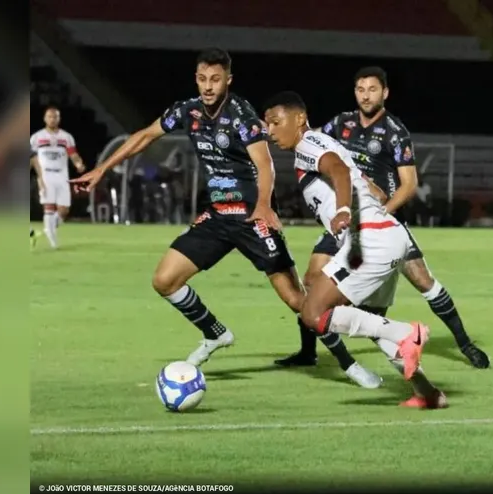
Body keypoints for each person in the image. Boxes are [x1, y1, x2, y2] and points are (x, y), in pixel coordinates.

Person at [69, 48, 380, 388]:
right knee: (164, 280)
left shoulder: (241, 116)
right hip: (217, 217)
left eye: (215, 79)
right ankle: (215, 334)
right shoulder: (186, 111)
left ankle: (348, 365)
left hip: (251, 217)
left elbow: (265, 164)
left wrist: (263, 205)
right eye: (202, 79)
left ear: (228, 80)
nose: (207, 86)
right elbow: (145, 136)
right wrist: (101, 169)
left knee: (297, 300)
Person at [276, 66, 489, 369]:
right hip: (348, 213)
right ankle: (308, 352)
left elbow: (409, 185)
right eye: (360, 89)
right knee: (312, 278)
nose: (366, 95)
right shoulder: (341, 123)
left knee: (423, 281)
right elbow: (311, 141)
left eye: (372, 89)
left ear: (385, 93)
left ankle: (465, 344)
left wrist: (379, 214)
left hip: (380, 220)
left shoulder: (395, 132)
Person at [263, 91, 447, 408]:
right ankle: (428, 394)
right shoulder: (323, 145)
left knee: (313, 313)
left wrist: (344, 210)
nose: (270, 131)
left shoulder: (309, 144)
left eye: (276, 122)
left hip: (369, 241)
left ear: (299, 119)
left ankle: (409, 332)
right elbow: (367, 184)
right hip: (386, 236)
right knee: (374, 325)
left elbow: (339, 171)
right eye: (267, 125)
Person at [30, 106, 86, 249]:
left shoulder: (66, 137)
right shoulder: (37, 137)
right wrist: (39, 177)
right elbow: (32, 158)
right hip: (46, 174)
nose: (52, 119)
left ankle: (43, 231)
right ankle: (53, 242)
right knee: (48, 207)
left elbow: (73, 154)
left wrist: (78, 164)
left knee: (64, 209)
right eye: (50, 117)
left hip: (62, 174)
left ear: (59, 119)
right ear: (45, 118)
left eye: (55, 117)